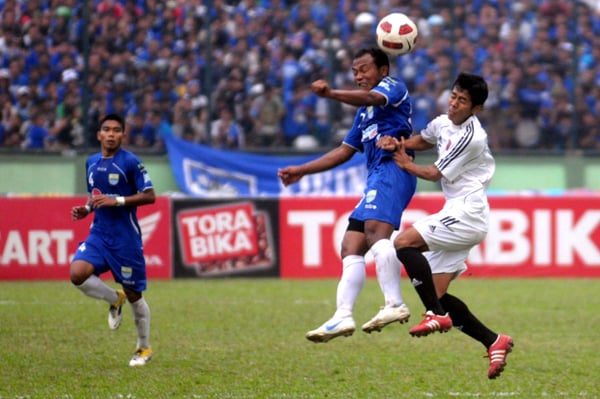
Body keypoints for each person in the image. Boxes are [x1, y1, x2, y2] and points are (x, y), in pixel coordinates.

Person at [378, 72, 513, 379]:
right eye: (453, 96)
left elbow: (434, 173)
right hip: (458, 210)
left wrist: (405, 164)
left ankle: (436, 315)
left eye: (462, 101)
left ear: (475, 108)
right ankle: (494, 341)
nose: (454, 104)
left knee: (403, 243)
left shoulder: (472, 136)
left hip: (467, 211)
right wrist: (396, 144)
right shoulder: (443, 122)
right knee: (436, 292)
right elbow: (422, 140)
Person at [278, 47, 417, 343]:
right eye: (354, 71)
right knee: (351, 244)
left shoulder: (394, 88)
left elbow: (372, 97)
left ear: (383, 71)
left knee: (376, 233)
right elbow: (344, 151)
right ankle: (342, 315)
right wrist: (303, 169)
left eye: (364, 69)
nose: (358, 76)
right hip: (376, 177)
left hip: (394, 169)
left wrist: (330, 95)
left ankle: (395, 303)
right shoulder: (363, 115)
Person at [70, 113, 156, 367]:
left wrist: (116, 200)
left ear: (122, 135)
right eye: (106, 129)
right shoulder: (91, 162)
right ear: (98, 134)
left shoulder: (130, 162)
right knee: (78, 273)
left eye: (116, 130)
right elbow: (95, 196)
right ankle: (112, 298)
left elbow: (150, 196)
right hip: (99, 234)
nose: (111, 134)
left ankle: (143, 348)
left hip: (125, 239)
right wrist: (87, 209)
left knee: (134, 294)